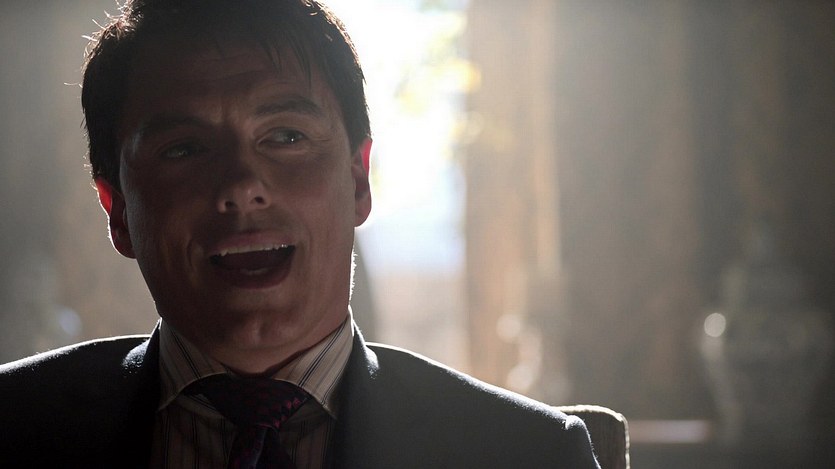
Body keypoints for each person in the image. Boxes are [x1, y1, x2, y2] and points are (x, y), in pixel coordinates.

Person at [0, 0, 600, 467]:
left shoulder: (528, 452)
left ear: (358, 180)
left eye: (286, 137)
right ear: (118, 211)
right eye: (183, 149)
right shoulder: (17, 427)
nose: (241, 185)